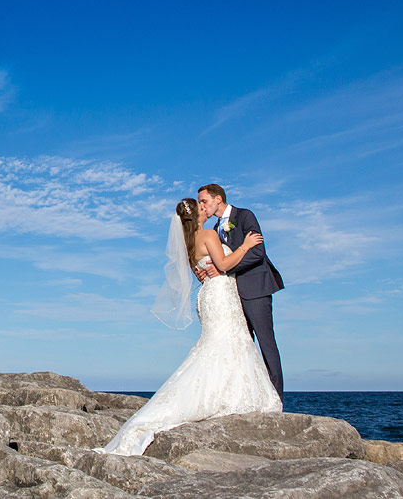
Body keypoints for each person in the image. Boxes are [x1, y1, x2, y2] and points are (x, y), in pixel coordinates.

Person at [95, 197, 281, 457]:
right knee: (229, 342)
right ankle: (225, 394)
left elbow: (200, 272)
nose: (206, 208)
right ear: (199, 213)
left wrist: (211, 271)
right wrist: (246, 246)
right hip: (221, 294)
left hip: (207, 295)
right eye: (202, 206)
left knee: (216, 345)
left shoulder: (187, 243)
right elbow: (225, 266)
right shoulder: (206, 234)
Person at [195, 183, 284, 399]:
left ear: (218, 199)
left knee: (266, 344)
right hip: (230, 296)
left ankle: (276, 398)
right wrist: (204, 271)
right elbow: (215, 260)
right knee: (241, 347)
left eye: (204, 201)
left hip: (254, 289)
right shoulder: (214, 230)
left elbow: (257, 253)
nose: (202, 206)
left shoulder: (244, 216)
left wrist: (224, 266)